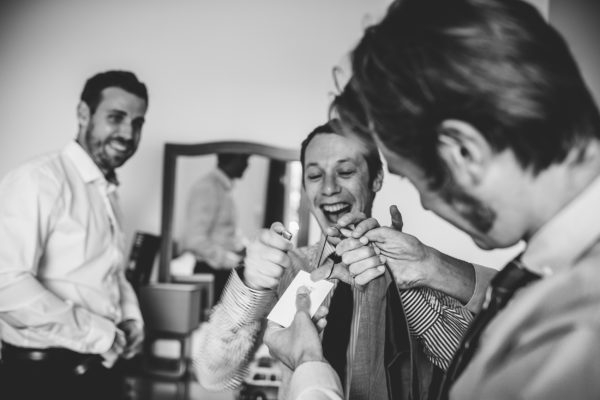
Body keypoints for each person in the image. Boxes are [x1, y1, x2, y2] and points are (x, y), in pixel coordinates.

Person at [325, 0, 600, 398]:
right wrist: (427, 265)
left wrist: (310, 376)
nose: (426, 203)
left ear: (464, 153)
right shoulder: (564, 265)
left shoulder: (576, 331)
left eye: (415, 180)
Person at [193, 120, 488, 400]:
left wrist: (410, 291)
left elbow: (474, 374)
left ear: (376, 179)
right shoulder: (289, 269)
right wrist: (249, 284)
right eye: (314, 175)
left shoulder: (416, 269)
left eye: (345, 171)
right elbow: (214, 376)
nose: (329, 188)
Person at [0, 70, 148, 400]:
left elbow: (110, 274)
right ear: (84, 114)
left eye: (137, 123)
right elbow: (6, 284)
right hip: (42, 378)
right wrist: (98, 334)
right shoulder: (38, 180)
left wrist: (130, 319)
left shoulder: (106, 191)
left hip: (98, 369)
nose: (128, 132)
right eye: (116, 117)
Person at [179, 152, 249, 301]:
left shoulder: (225, 189)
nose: (247, 165)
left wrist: (243, 249)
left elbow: (225, 232)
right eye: (244, 159)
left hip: (225, 270)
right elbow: (194, 239)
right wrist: (231, 259)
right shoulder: (206, 188)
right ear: (230, 158)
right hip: (212, 272)